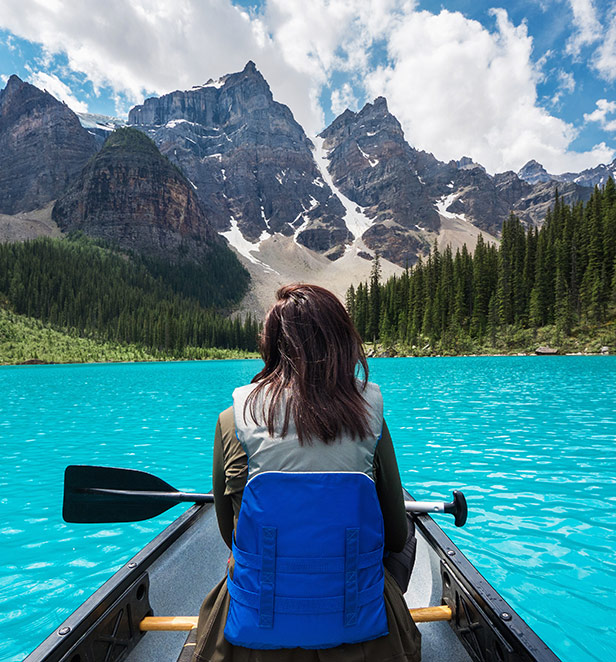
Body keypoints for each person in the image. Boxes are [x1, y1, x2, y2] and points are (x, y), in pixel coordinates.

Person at [191, 283, 421, 662]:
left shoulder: (232, 419)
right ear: (341, 342)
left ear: (271, 344)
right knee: (410, 534)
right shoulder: (370, 415)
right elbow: (395, 537)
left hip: (256, 630)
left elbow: (232, 540)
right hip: (357, 625)